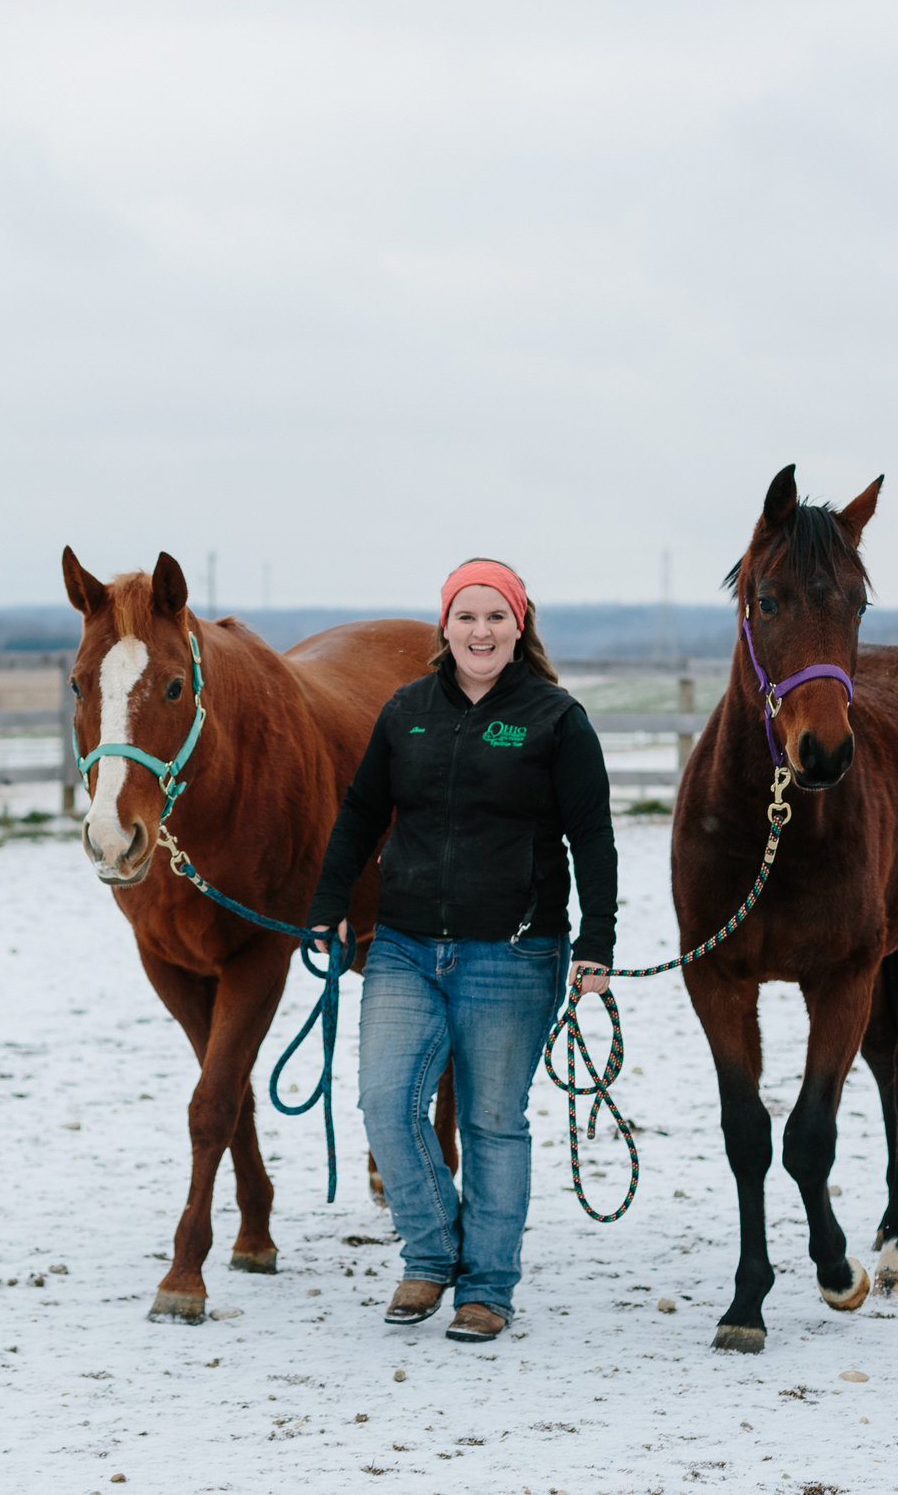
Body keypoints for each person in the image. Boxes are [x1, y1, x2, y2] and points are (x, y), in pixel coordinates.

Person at [306, 558, 617, 1344]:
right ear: (444, 626)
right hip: (405, 945)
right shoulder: (405, 710)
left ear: (520, 625)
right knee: (385, 1101)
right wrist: (329, 901)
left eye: (495, 617)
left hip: (513, 955)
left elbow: (594, 839)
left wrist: (596, 940)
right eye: (466, 616)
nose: (481, 631)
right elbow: (359, 812)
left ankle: (487, 1286)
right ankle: (433, 1246)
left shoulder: (555, 719)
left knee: (490, 1123)